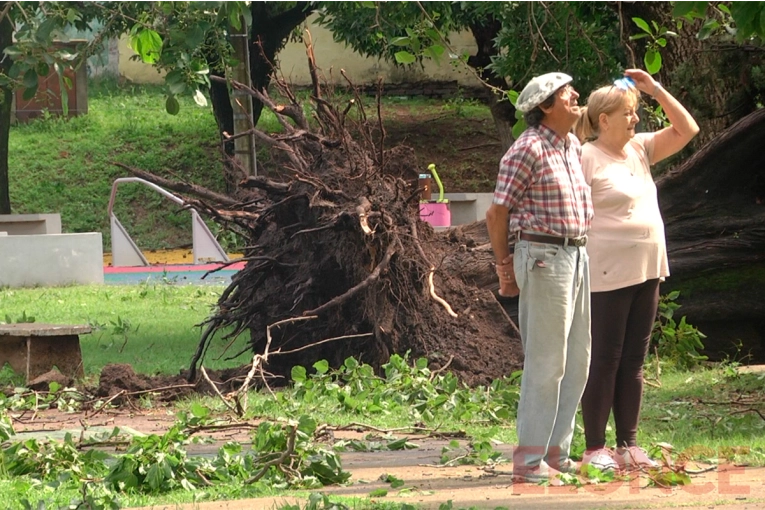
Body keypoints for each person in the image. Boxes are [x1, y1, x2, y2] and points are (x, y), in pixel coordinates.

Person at [574, 69, 699, 471]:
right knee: (605, 359)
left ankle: (628, 444)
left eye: (636, 111)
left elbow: (688, 129)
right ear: (603, 119)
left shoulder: (640, 149)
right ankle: (595, 447)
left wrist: (656, 89)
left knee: (634, 361)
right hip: (607, 274)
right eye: (627, 113)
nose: (636, 119)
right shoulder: (585, 156)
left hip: (648, 269)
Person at [486, 72, 593, 484]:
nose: (576, 97)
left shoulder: (571, 146)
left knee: (578, 360)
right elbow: (497, 213)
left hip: (577, 253)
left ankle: (556, 452)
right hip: (545, 256)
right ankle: (529, 462)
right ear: (546, 106)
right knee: (547, 361)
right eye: (567, 94)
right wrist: (504, 269)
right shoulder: (527, 148)